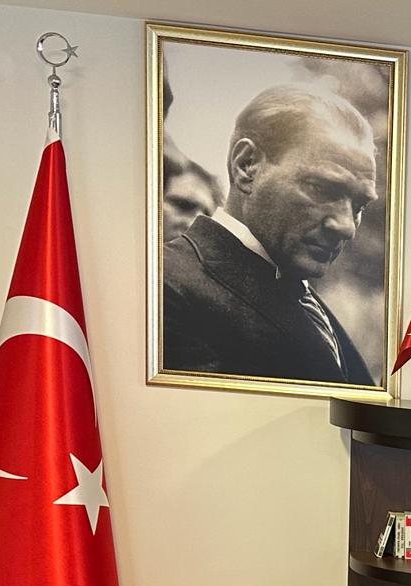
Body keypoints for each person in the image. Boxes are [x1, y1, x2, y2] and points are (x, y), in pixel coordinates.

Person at [162, 84, 378, 384]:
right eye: (322, 189)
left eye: (359, 205)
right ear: (246, 166)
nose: (346, 226)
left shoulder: (298, 294)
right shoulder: (164, 286)